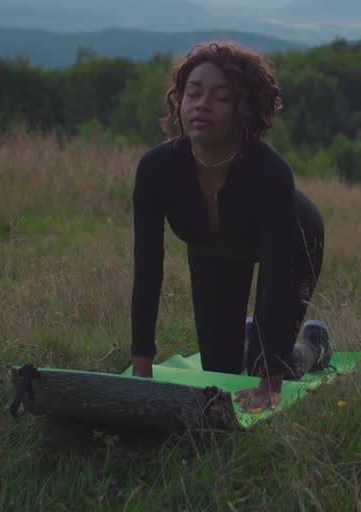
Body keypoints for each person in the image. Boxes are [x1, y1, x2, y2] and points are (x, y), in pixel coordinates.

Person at [129, 41, 331, 412]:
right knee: (220, 372)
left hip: (294, 243)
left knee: (262, 366)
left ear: (244, 109)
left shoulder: (271, 174)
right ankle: (251, 333)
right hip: (213, 250)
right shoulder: (157, 169)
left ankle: (314, 345)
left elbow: (275, 277)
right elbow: (147, 268)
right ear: (180, 100)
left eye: (221, 97)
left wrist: (269, 382)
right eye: (193, 93)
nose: (202, 105)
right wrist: (141, 369)